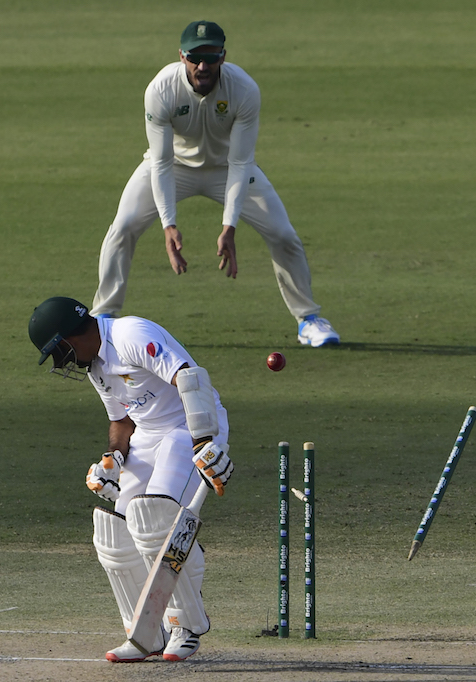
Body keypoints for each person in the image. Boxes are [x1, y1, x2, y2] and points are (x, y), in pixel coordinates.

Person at [91, 19, 340, 348]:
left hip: (227, 168)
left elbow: (240, 163)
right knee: (123, 227)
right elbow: (161, 162)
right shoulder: (161, 90)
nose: (202, 66)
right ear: (182, 56)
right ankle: (104, 318)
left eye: (210, 57)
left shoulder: (244, 89)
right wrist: (169, 225)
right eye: (195, 57)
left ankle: (308, 320)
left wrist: (229, 226)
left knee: (283, 234)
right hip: (174, 166)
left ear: (223, 56)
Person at [28, 296, 235, 663]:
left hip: (187, 427)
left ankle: (186, 627)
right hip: (148, 436)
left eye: (58, 352)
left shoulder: (131, 335)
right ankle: (146, 634)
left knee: (156, 520)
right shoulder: (95, 367)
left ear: (70, 338)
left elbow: (190, 378)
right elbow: (122, 421)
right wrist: (113, 459)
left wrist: (205, 441)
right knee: (114, 535)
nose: (62, 361)